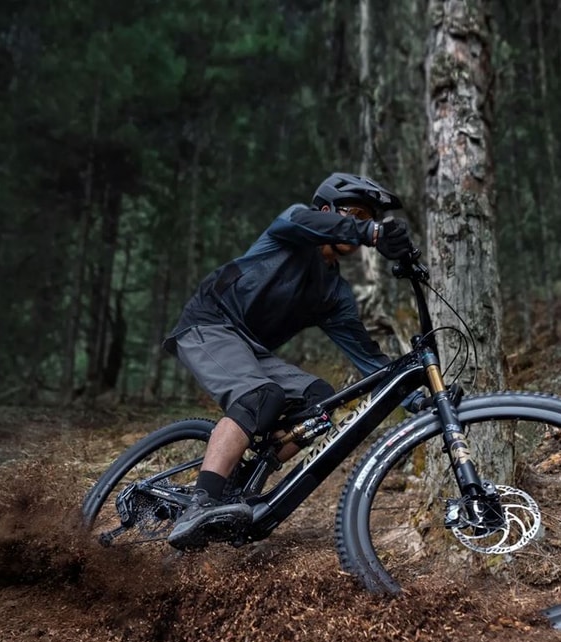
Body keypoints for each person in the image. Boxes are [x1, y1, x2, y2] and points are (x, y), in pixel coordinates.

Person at [161, 172, 420, 550]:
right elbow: (304, 222)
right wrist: (373, 233)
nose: (360, 223)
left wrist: (416, 400)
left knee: (321, 403)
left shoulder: (334, 293)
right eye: (355, 214)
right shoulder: (294, 224)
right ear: (328, 210)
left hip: (249, 348)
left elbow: (370, 362)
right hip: (209, 322)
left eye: (368, 217)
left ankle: (241, 483)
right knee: (259, 396)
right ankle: (201, 502)